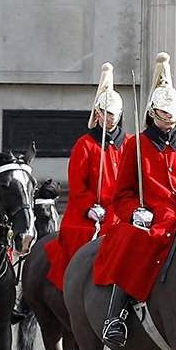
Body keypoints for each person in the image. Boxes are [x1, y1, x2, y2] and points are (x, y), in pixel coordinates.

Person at [96, 54, 176, 350]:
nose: (167, 124)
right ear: (152, 114)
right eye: (162, 117)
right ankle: (118, 315)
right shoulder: (136, 146)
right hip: (153, 222)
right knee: (135, 245)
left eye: (171, 118)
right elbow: (121, 194)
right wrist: (135, 212)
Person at [45, 64, 125, 297]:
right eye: (105, 114)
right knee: (77, 237)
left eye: (113, 115)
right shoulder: (85, 145)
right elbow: (78, 186)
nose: (109, 119)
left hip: (121, 210)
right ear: (97, 114)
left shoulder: (130, 145)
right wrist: (91, 206)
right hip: (90, 211)